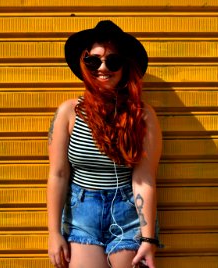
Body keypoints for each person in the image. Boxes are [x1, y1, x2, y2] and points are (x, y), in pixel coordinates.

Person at [47, 20, 162, 268]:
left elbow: (144, 179)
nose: (102, 67)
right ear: (84, 63)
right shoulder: (69, 113)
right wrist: (54, 233)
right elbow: (58, 174)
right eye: (94, 60)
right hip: (82, 214)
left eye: (113, 61)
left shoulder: (142, 115)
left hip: (128, 213)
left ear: (124, 67)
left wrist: (148, 238)